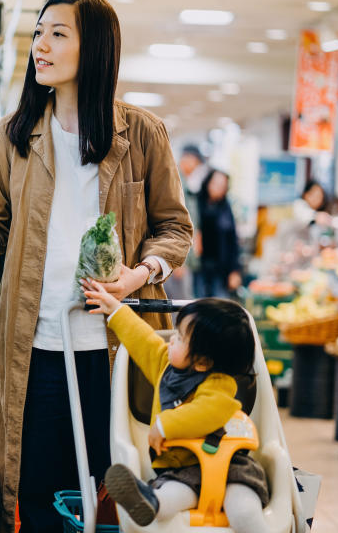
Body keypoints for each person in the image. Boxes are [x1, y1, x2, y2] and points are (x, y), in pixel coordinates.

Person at [0, 0, 193, 533]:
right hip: (35, 345)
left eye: (58, 33)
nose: (41, 45)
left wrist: (139, 274)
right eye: (38, 32)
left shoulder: (142, 134)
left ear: (96, 47)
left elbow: (174, 228)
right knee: (37, 490)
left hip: (117, 346)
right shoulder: (14, 135)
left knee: (122, 487)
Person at [82, 285, 269, 533]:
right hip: (181, 471)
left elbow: (209, 411)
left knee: (244, 510)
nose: (171, 339)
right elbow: (142, 339)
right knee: (169, 497)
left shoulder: (220, 385)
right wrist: (115, 310)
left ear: (203, 362)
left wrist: (164, 425)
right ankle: (148, 502)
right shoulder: (163, 364)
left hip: (230, 468)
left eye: (180, 338)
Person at [164, 145, 207, 300]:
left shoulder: (183, 181)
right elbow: (174, 221)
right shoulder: (175, 180)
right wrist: (177, 261)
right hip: (178, 260)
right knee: (178, 307)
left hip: (183, 259)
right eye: (197, 164)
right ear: (188, 159)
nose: (196, 169)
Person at [195, 169, 242, 299]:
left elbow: (233, 240)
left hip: (220, 268)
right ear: (208, 182)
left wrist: (235, 270)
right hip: (197, 267)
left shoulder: (226, 208)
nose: (218, 188)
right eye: (216, 183)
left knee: (219, 304)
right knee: (196, 304)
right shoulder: (196, 203)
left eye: (223, 186)